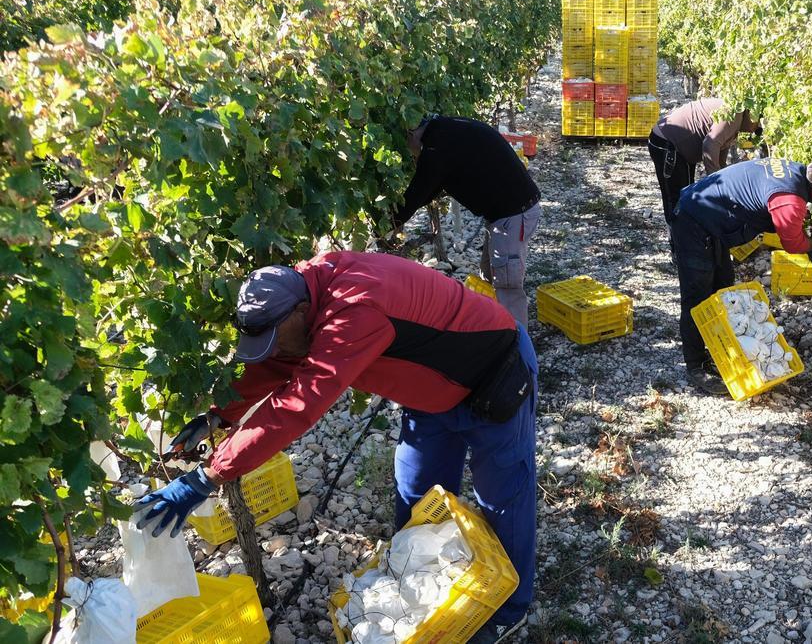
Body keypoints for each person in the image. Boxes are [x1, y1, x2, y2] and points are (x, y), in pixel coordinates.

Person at [133, 252, 538, 643]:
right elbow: (277, 362)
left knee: (503, 498)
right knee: (416, 488)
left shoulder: (355, 312)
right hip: (431, 388)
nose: (272, 348)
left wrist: (209, 475)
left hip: (493, 374)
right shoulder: (303, 293)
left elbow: (297, 406)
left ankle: (509, 612)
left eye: (275, 339)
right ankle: (424, 577)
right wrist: (218, 415)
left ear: (297, 313)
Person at [671, 158, 812, 395]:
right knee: (697, 295)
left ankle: (720, 346)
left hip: (709, 214)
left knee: (722, 285)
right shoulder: (789, 200)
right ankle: (695, 365)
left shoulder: (794, 170)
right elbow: (793, 244)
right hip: (694, 221)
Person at [392, 115, 542, 326]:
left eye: (409, 148)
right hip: (505, 214)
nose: (412, 155)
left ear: (410, 135)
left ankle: (517, 347)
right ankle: (495, 329)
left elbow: (419, 191)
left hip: (514, 215)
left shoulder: (436, 149)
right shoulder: (445, 130)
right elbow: (431, 189)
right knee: (489, 273)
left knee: (507, 286)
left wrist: (390, 221)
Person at [647, 98, 761, 224]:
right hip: (667, 143)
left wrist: (726, 182)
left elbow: (720, 153)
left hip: (681, 148)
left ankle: (687, 236)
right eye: (757, 127)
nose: (753, 131)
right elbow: (710, 145)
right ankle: (678, 240)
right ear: (753, 114)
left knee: (687, 196)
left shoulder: (736, 118)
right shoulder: (734, 115)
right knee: (676, 200)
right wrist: (716, 185)